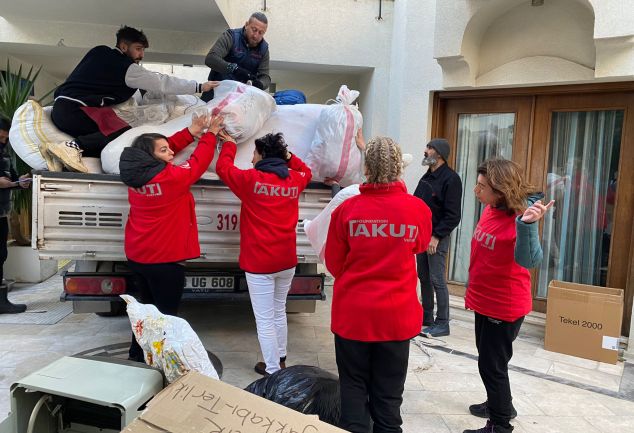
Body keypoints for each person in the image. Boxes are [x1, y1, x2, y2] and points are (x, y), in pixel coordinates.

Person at [325, 136, 432, 433]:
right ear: (399, 167)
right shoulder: (418, 209)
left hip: (353, 316)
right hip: (396, 318)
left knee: (353, 390)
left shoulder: (346, 210)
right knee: (388, 398)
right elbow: (420, 245)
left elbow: (334, 263)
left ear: (367, 167)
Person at [119, 112, 225, 362]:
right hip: (165, 262)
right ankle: (162, 365)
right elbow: (199, 161)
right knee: (166, 317)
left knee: (145, 313)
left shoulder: (134, 177)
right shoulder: (172, 178)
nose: (171, 153)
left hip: (138, 256)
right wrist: (209, 134)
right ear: (152, 157)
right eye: (165, 151)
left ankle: (136, 357)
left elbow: (163, 149)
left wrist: (190, 132)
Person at [49, 25, 220, 173]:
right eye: (138, 49)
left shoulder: (98, 51)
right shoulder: (126, 68)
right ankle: (72, 147)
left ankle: (68, 156)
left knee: (104, 139)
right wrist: (199, 87)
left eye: (143, 50)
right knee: (122, 131)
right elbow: (161, 82)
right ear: (124, 46)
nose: (141, 54)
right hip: (75, 112)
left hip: (60, 107)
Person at [464, 159, 553, 433]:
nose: (476, 191)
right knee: (489, 360)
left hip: (503, 306)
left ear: (500, 190)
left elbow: (529, 259)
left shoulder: (520, 218)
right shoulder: (491, 209)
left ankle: (500, 424)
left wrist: (527, 226)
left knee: (492, 366)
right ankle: (499, 403)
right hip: (484, 299)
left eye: (482, 187)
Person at [215, 131, 311, 375]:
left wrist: (228, 144)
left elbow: (223, 168)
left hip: (259, 263)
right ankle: (280, 358)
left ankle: (272, 370)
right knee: (279, 311)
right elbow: (307, 171)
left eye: (254, 154)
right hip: (286, 260)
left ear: (263, 156)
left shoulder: (250, 180)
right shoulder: (294, 179)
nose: (251, 160)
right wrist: (288, 156)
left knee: (265, 319)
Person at [413, 138, 462, 337]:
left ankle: (443, 323)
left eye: (430, 148)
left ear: (439, 154)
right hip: (422, 236)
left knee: (436, 279)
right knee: (423, 277)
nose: (425, 151)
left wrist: (436, 236)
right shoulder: (427, 177)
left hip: (436, 238)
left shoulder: (451, 179)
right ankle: (427, 317)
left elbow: (453, 215)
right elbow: (415, 203)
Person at [201, 12, 271, 102]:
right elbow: (211, 58)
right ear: (246, 25)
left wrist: (260, 84)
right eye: (254, 30)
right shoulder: (231, 36)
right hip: (216, 92)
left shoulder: (264, 49)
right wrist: (234, 69)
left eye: (261, 33)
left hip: (241, 99)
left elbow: (265, 77)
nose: (256, 35)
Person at [0, 118, 31, 314]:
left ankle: (2, 302)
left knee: (1, 256)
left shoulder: (4, 156)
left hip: (2, 214)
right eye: (0, 137)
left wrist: (20, 182)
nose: (3, 141)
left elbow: (10, 179)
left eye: (5, 138)